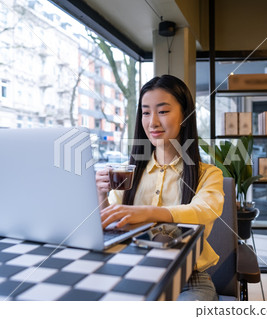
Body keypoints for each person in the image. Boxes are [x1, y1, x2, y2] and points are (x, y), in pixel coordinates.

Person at [96, 74, 224, 301]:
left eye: (163, 111)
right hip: (131, 269)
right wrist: (101, 195)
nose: (152, 122)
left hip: (189, 279)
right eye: (146, 112)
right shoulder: (128, 173)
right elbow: (111, 224)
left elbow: (203, 212)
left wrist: (147, 212)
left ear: (185, 115)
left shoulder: (209, 174)